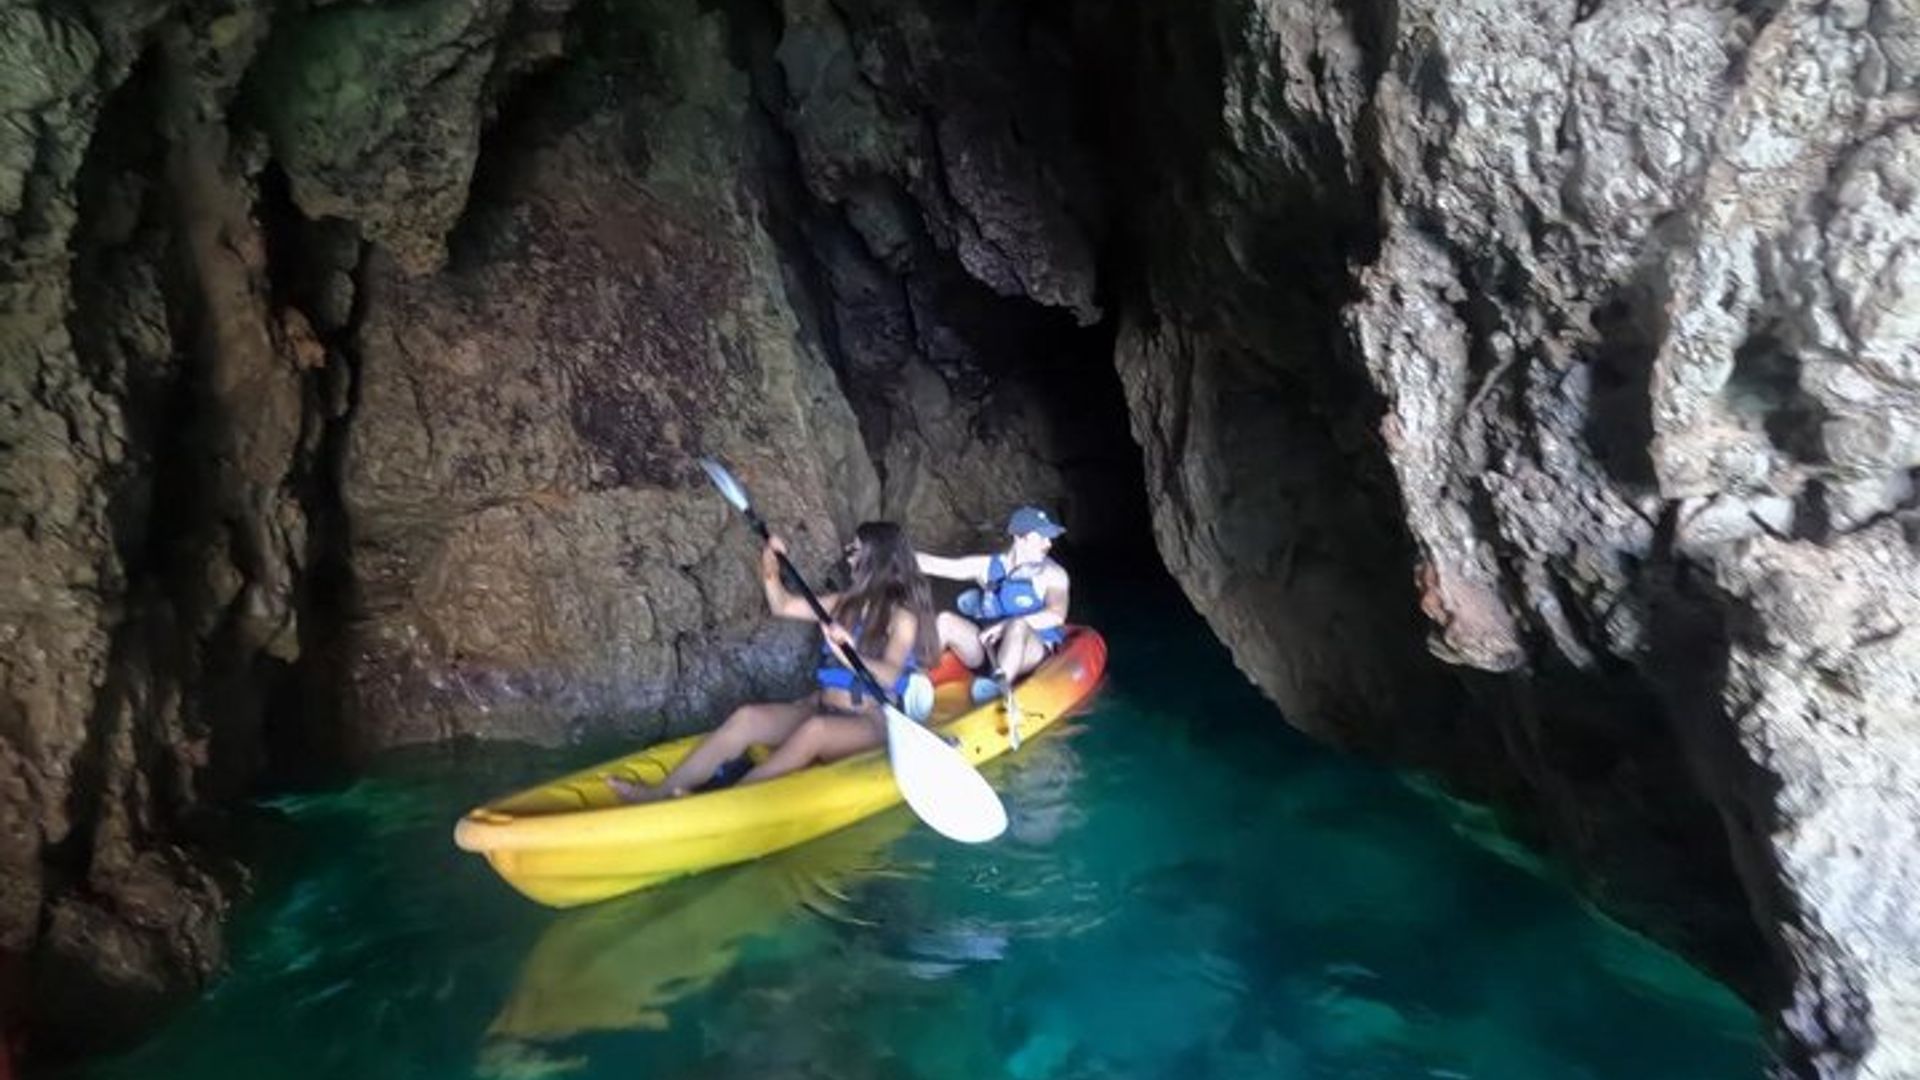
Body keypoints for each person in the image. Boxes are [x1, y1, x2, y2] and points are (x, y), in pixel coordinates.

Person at [609, 521, 939, 802]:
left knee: (815, 731)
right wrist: (770, 565)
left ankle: (730, 800)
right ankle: (660, 792)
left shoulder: (902, 618)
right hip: (822, 709)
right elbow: (782, 605)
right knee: (747, 717)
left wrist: (847, 651)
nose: (848, 557)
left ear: (874, 560)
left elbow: (891, 675)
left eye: (854, 551)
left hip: (870, 725)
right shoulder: (842, 603)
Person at [916, 505, 1071, 704]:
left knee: (1018, 624)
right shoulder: (987, 566)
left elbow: (1057, 615)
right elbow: (935, 565)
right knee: (945, 621)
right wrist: (891, 556)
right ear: (1019, 537)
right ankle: (912, 683)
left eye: (1049, 537)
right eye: (1040, 537)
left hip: (1031, 652)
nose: (1048, 543)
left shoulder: (1052, 574)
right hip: (989, 649)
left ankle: (996, 692)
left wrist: (1005, 625)